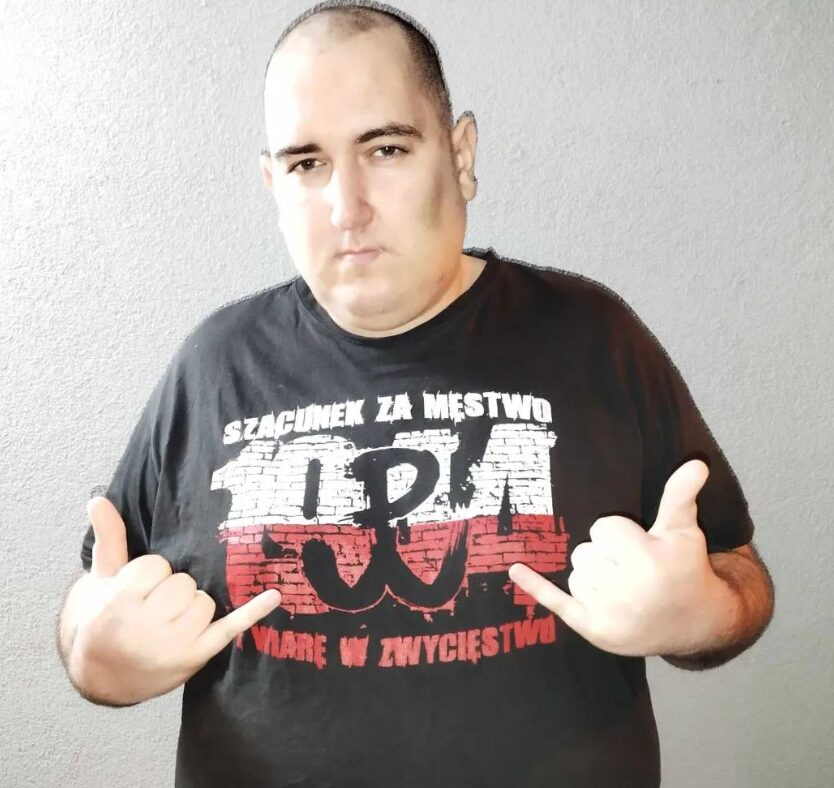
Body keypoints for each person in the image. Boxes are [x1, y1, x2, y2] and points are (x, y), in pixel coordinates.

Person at [57, 2, 775, 786]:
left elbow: (740, 575)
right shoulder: (213, 365)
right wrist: (96, 656)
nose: (347, 207)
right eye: (306, 164)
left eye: (387, 149)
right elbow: (94, 604)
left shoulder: (593, 335)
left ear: (460, 155)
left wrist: (701, 612)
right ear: (273, 184)